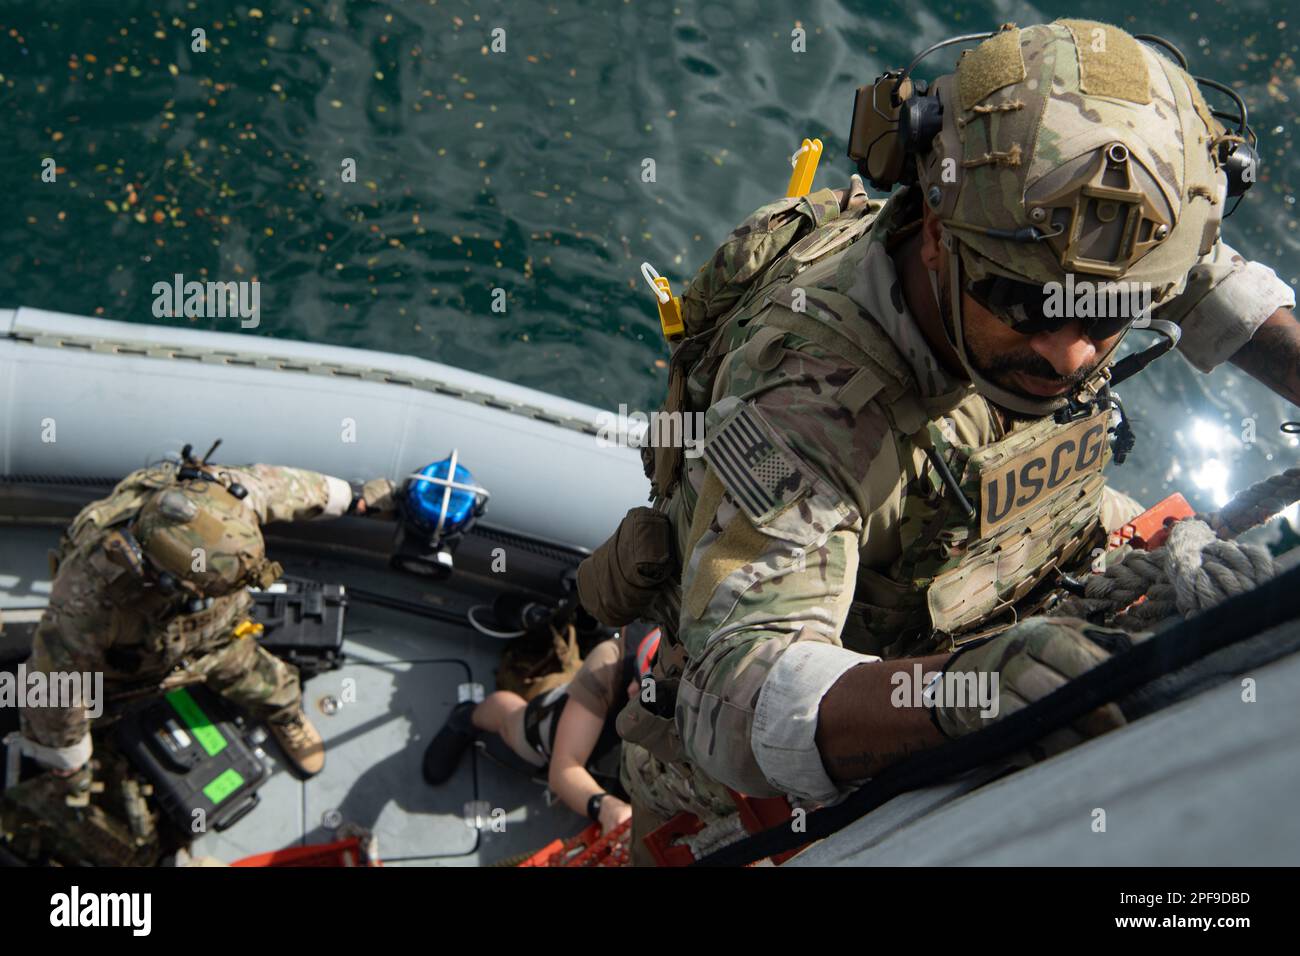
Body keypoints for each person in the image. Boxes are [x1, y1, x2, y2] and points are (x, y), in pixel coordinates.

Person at [576, 20, 1300, 859]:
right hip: (775, 775)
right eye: (1025, 305)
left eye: (1110, 314)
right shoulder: (809, 395)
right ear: (933, 235)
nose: (1067, 353)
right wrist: (963, 695)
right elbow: (738, 691)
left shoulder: (1063, 249)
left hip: (1024, 578)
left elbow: (1194, 269)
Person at [16, 450, 395, 785]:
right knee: (89, 719)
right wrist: (69, 756)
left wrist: (357, 499)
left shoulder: (221, 497)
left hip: (218, 643)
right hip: (129, 668)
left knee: (270, 684)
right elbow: (55, 689)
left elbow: (283, 486)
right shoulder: (88, 599)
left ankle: (285, 715)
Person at [423, 623, 660, 835]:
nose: (633, 690)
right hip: (577, 721)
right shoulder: (609, 663)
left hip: (634, 755)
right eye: (639, 680)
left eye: (646, 695)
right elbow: (564, 768)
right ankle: (467, 717)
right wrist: (606, 807)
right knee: (519, 728)